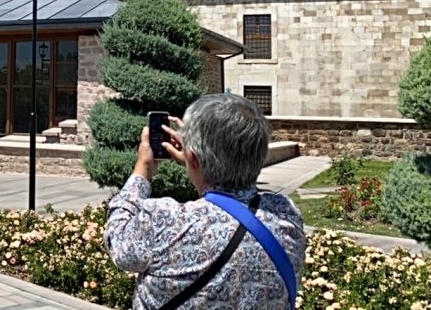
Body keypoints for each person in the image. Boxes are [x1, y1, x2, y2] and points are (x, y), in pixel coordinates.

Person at [104, 94, 306, 310]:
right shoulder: (287, 216)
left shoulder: (166, 221)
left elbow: (118, 240)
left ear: (192, 158)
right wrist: (198, 161)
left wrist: (142, 169)